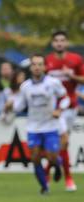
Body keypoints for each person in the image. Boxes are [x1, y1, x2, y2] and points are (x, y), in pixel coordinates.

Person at [5, 54, 68, 194]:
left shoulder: (53, 83)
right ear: (31, 67)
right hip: (33, 127)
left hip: (51, 125)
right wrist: (11, 106)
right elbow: (20, 106)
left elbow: (65, 98)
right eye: (34, 64)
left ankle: (56, 164)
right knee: (35, 157)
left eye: (40, 64)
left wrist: (59, 109)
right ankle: (45, 187)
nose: (37, 67)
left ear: (44, 67)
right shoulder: (25, 86)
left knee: (51, 156)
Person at [45, 30, 82, 191]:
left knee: (62, 145)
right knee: (61, 143)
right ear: (53, 43)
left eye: (62, 40)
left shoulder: (76, 59)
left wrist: (71, 75)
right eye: (56, 40)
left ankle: (47, 173)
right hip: (53, 110)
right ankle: (67, 179)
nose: (59, 43)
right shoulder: (48, 61)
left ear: (66, 43)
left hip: (70, 108)